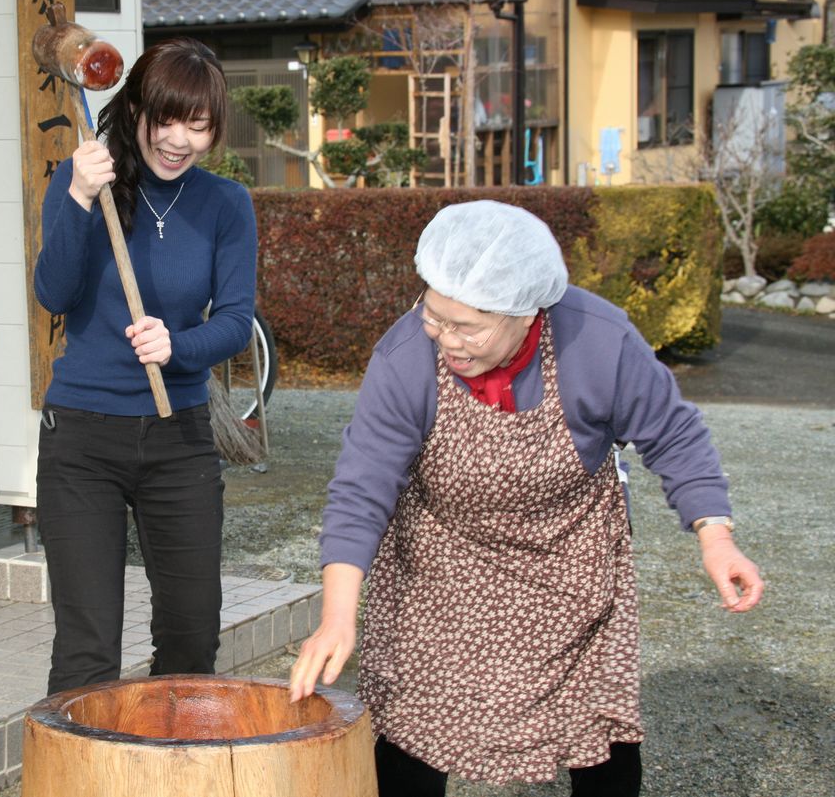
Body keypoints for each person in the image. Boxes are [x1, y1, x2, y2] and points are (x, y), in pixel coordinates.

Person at [288, 200, 762, 795]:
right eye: (434, 316)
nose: (446, 339)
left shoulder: (598, 340)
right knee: (414, 718)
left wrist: (715, 536)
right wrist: (336, 617)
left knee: (596, 727)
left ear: (526, 312)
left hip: (571, 561)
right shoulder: (407, 356)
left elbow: (673, 432)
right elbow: (362, 487)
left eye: (467, 327)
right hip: (442, 562)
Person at [33, 38, 257, 695]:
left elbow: (236, 322)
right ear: (134, 108)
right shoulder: (86, 185)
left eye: (199, 124)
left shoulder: (226, 204)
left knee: (191, 636)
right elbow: (53, 292)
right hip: (81, 437)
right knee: (88, 649)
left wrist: (177, 345)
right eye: (166, 118)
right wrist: (77, 197)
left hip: (179, 435)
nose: (179, 139)